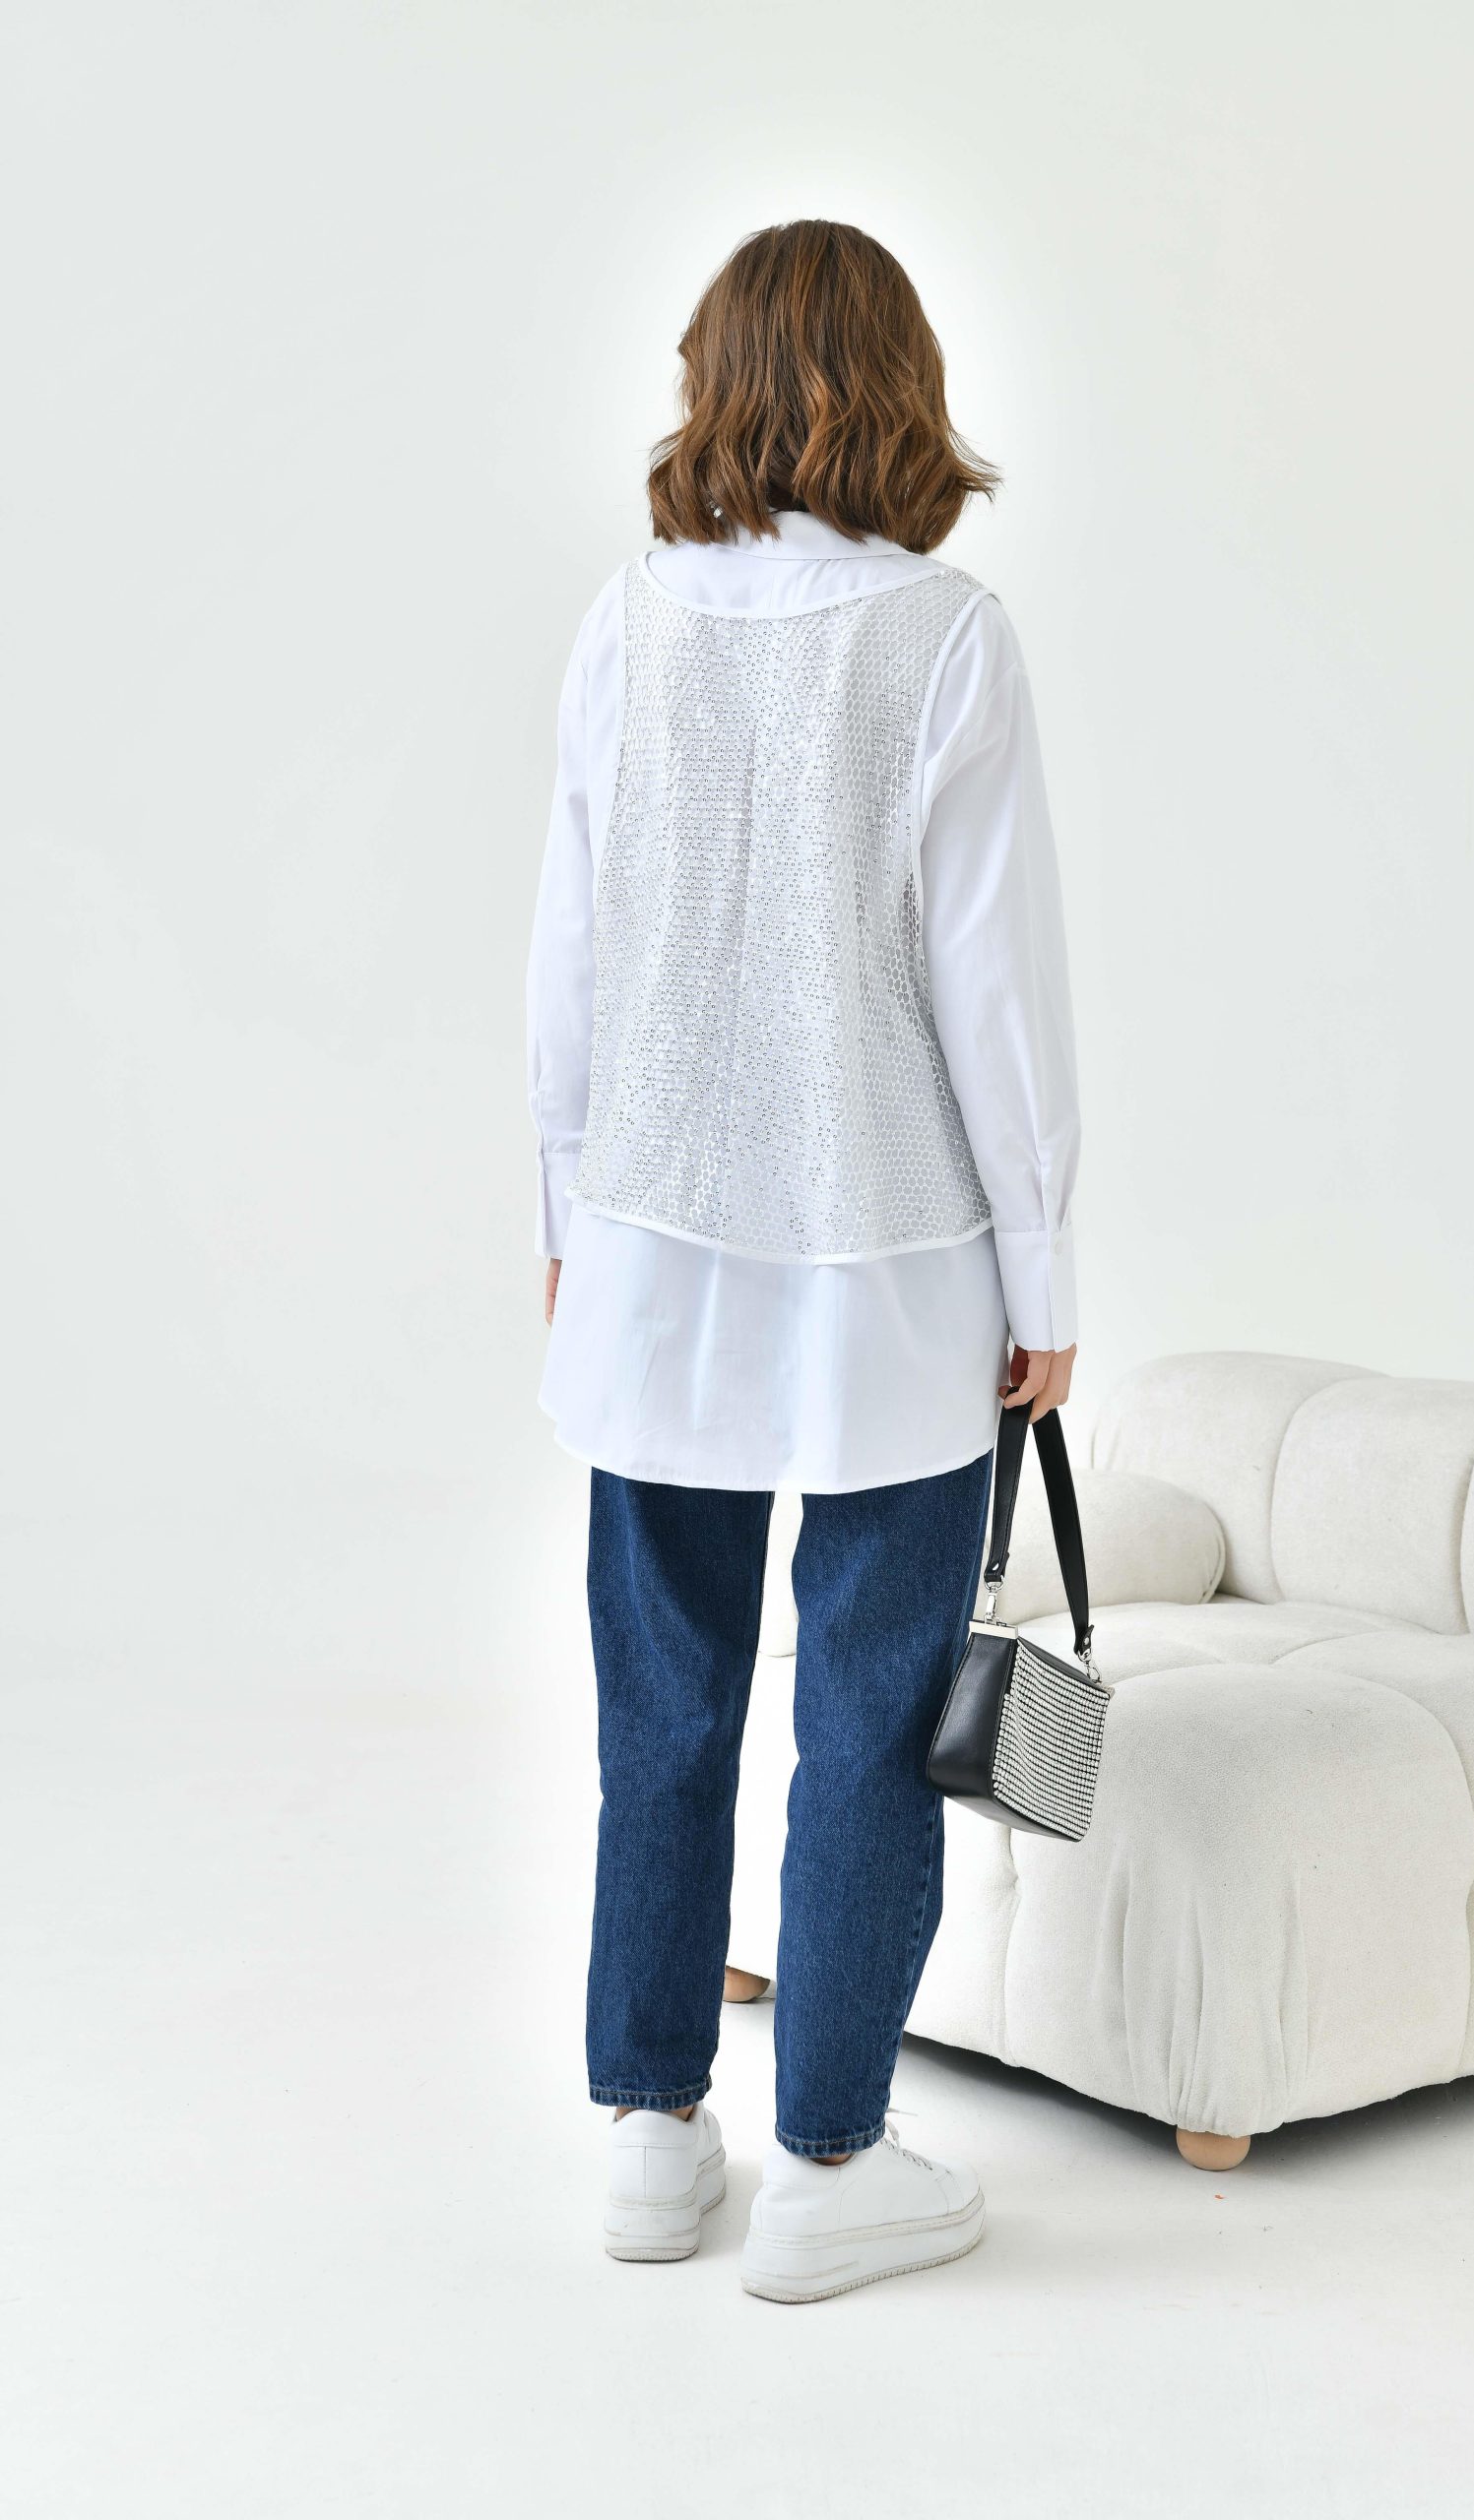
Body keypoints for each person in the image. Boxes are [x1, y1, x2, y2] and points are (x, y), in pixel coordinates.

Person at [527, 220, 1080, 2302]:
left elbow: (569, 955)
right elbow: (993, 993)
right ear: (903, 387)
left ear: (717, 382)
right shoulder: (947, 640)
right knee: (864, 1721)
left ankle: (651, 2136)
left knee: (658, 1711)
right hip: (893, 1270)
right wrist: (1043, 1275)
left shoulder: (628, 620)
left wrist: (565, 1217)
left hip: (653, 1248)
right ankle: (834, 2158)